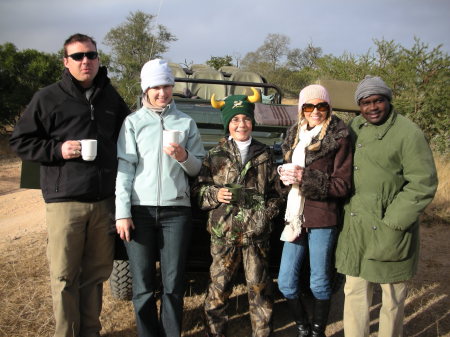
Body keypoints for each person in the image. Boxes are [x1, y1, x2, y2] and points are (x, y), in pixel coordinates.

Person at [9, 33, 130, 337]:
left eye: (90, 55)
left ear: (98, 59)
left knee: (95, 276)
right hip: (65, 202)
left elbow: (128, 138)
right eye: (77, 57)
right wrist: (57, 150)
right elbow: (20, 140)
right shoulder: (47, 97)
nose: (85, 61)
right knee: (63, 276)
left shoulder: (111, 97)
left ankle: (90, 332)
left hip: (103, 201)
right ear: (66, 61)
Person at [335, 75, 438, 337]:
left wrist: (393, 221)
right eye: (365, 102)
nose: (372, 107)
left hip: (389, 225)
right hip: (356, 225)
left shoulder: (407, 132)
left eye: (377, 100)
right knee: (355, 289)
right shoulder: (354, 127)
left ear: (388, 100)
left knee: (392, 294)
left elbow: (422, 183)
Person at [115, 58, 205, 337]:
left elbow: (197, 167)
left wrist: (183, 156)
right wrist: (122, 212)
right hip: (139, 211)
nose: (162, 92)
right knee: (142, 286)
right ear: (146, 89)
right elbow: (125, 168)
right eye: (156, 86)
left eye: (166, 85)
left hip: (176, 212)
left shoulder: (185, 122)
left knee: (173, 284)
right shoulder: (133, 122)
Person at [192, 88, 283, 337]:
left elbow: (276, 193)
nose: (241, 124)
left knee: (260, 292)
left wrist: (265, 213)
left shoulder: (265, 154)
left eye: (245, 118)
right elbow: (197, 192)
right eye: (235, 119)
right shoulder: (214, 155)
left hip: (256, 235)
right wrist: (215, 195)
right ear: (227, 124)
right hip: (224, 235)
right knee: (219, 290)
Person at [277, 84, 353, 337]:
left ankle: (317, 331)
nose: (316, 111)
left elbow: (342, 185)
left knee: (318, 281)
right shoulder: (294, 135)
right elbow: (287, 177)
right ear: (302, 110)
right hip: (295, 217)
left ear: (328, 108)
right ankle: (302, 327)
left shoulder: (339, 138)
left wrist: (304, 176)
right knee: (286, 282)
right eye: (309, 106)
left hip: (323, 216)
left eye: (321, 106)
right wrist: (283, 178)